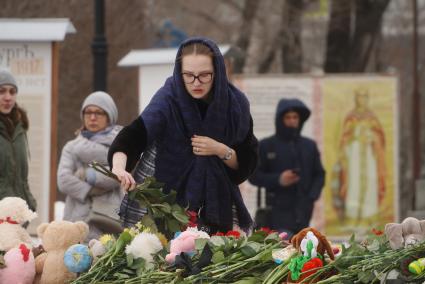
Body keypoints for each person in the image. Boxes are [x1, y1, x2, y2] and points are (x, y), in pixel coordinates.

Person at [108, 37, 258, 234]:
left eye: (205, 75)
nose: (196, 83)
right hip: (166, 200)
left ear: (218, 72)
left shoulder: (236, 105)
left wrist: (220, 149)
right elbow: (135, 135)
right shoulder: (168, 97)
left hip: (217, 203)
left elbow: (246, 162)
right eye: (188, 75)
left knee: (216, 258)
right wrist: (119, 167)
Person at [249, 98, 325, 238]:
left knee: (303, 250)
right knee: (284, 248)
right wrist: (279, 179)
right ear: (280, 119)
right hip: (276, 215)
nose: (292, 121)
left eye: (295, 117)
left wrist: (311, 196)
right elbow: (253, 175)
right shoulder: (266, 145)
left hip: (303, 213)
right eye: (288, 117)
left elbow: (319, 174)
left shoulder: (309, 146)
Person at [57, 91, 123, 240]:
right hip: (77, 219)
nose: (92, 117)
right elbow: (64, 180)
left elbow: (117, 176)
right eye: (88, 112)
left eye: (99, 113)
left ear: (109, 116)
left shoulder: (121, 147)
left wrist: (88, 174)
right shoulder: (72, 146)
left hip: (110, 219)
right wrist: (91, 190)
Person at [331, 88, 386, 224]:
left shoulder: (372, 118)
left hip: (369, 155)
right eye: (360, 97)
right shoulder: (351, 117)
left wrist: (372, 137)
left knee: (371, 182)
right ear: (356, 99)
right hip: (354, 155)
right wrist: (354, 136)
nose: (363, 100)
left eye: (365, 97)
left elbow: (380, 138)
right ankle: (353, 217)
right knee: (353, 183)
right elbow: (344, 138)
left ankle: (369, 216)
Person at [0, 69, 37, 211]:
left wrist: (29, 202)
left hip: (17, 213)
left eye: (12, 91)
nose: (8, 97)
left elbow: (21, 176)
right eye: (1, 91)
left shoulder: (20, 126)